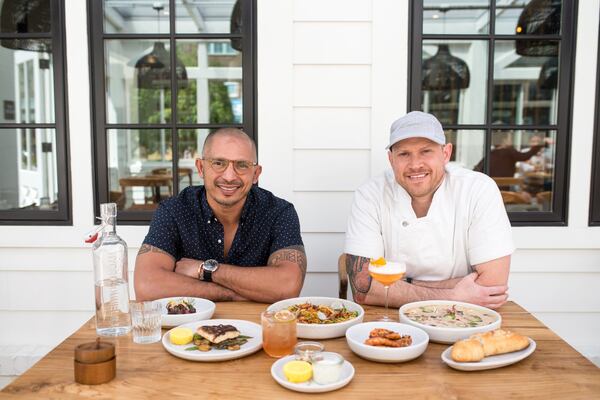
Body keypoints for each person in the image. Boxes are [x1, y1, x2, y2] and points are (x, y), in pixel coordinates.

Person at [343, 111, 514, 309]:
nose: (415, 164)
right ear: (391, 160)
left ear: (446, 153)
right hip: (392, 318)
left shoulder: (478, 189)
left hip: (464, 317)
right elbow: (363, 289)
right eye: (404, 154)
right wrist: (454, 296)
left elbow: (492, 286)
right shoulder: (369, 195)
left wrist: (398, 286)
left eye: (426, 151)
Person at [134, 128, 307, 303]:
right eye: (218, 163)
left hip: (258, 327)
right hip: (186, 329)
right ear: (201, 168)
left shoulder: (279, 212)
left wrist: (205, 270)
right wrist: (234, 293)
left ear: (255, 174)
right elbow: (147, 286)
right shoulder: (174, 210)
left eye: (242, 165)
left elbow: (288, 286)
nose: (230, 176)